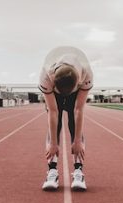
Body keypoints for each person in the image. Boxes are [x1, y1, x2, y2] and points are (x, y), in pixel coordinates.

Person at [39, 46, 93, 191]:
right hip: (54, 93)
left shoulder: (86, 74)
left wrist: (77, 141)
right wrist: (54, 144)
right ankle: (52, 171)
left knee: (74, 125)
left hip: (75, 93)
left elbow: (78, 110)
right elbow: (53, 111)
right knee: (54, 129)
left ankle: (78, 171)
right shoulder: (46, 77)